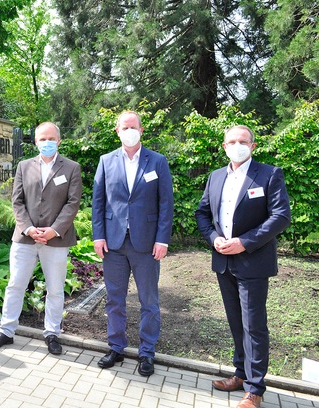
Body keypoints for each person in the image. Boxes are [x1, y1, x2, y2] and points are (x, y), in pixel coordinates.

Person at [195, 125, 290, 408]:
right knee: (236, 323)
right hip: (223, 261)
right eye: (232, 141)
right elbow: (202, 212)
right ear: (224, 146)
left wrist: (244, 242)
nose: (238, 145)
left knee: (254, 326)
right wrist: (213, 239)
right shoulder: (215, 176)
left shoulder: (269, 174)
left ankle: (255, 389)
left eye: (243, 141)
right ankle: (240, 374)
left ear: (253, 145)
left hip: (253, 261)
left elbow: (280, 216)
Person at [0, 122, 82, 355]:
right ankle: (6, 332)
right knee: (15, 284)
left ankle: (51, 333)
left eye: (51, 138)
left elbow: (73, 203)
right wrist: (28, 228)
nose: (46, 142)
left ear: (59, 140)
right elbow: (17, 201)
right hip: (25, 239)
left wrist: (54, 230)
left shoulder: (71, 168)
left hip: (55, 240)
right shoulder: (24, 166)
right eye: (42, 139)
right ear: (35, 141)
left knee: (55, 289)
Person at [91, 110, 173, 377]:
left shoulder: (157, 161)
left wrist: (162, 239)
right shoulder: (105, 161)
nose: (129, 131)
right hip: (113, 243)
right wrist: (98, 235)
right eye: (124, 127)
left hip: (147, 244)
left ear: (141, 130)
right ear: (117, 131)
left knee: (149, 300)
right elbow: (99, 202)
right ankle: (116, 347)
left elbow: (165, 204)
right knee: (115, 299)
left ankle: (146, 352)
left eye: (133, 126)